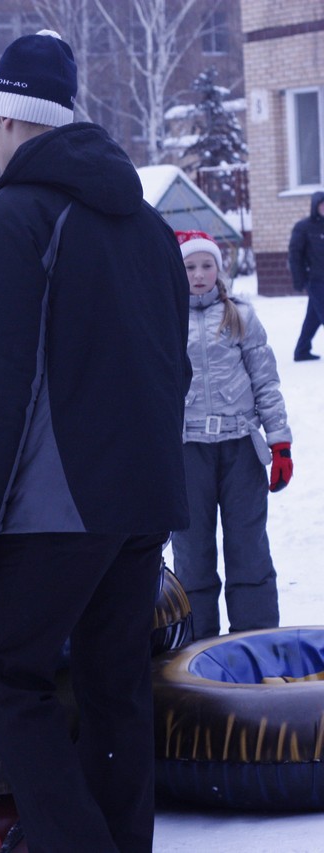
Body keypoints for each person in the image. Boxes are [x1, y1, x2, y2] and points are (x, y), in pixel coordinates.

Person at [0, 31, 191, 853]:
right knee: (114, 681)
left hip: (58, 502)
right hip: (142, 496)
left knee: (4, 669)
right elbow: (175, 365)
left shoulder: (11, 217)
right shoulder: (149, 226)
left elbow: (0, 384)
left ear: (4, 119)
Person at [171, 230, 293, 640]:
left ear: (219, 270)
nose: (199, 274)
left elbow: (266, 382)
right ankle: (197, 646)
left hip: (240, 447)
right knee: (192, 553)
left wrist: (280, 442)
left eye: (207, 265)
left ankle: (255, 640)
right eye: (190, 266)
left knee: (248, 547)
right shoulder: (165, 318)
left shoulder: (239, 315)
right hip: (188, 452)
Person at [289, 191, 324, 361]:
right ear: (315, 206)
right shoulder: (303, 227)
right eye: (322, 205)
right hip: (315, 280)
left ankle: (301, 350)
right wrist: (299, 280)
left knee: (313, 317)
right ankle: (302, 350)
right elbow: (295, 255)